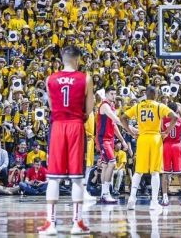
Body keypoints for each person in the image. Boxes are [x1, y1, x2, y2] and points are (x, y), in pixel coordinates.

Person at [40, 45, 95, 235]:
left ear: (62, 59)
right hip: (75, 126)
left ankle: (50, 223)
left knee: (54, 177)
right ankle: (77, 223)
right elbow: (89, 110)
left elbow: (51, 105)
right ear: (78, 60)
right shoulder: (85, 78)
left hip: (57, 127)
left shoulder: (50, 79)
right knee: (77, 178)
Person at [120, 86, 178, 211]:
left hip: (142, 138)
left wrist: (130, 132)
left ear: (146, 94)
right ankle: (154, 202)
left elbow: (123, 118)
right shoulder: (159, 106)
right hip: (156, 138)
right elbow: (175, 117)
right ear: (156, 95)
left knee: (138, 171)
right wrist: (166, 132)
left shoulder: (138, 106)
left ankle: (132, 198)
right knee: (155, 171)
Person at [95, 86, 129, 205]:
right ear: (107, 95)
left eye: (115, 93)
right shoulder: (104, 105)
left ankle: (103, 194)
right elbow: (116, 119)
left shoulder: (112, 106)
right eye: (112, 94)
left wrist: (123, 140)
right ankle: (105, 193)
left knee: (105, 165)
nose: (114, 96)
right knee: (112, 163)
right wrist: (129, 128)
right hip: (103, 139)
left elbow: (114, 126)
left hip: (110, 139)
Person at [161, 101, 181, 206]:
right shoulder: (180, 120)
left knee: (165, 174)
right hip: (177, 146)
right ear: (176, 110)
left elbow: (160, 129)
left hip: (167, 146)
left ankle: (164, 198)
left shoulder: (163, 120)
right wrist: (180, 112)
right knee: (180, 174)